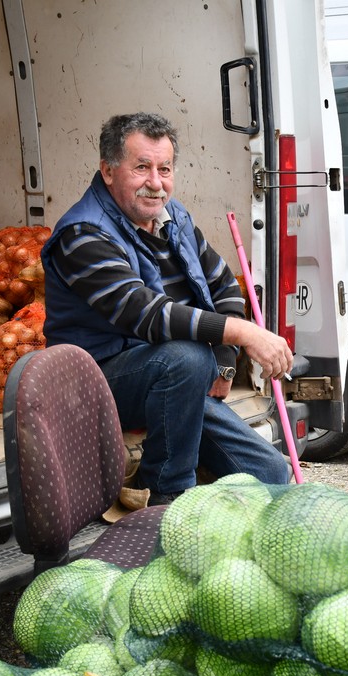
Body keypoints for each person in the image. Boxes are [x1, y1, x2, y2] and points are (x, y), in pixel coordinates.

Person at [41, 112, 294, 504]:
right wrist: (246, 334)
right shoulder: (82, 233)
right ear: (108, 171)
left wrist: (225, 359)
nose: (156, 183)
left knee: (270, 473)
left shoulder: (173, 217)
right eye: (141, 167)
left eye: (165, 169)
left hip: (173, 378)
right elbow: (147, 314)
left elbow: (223, 284)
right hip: (95, 382)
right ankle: (166, 493)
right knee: (187, 358)